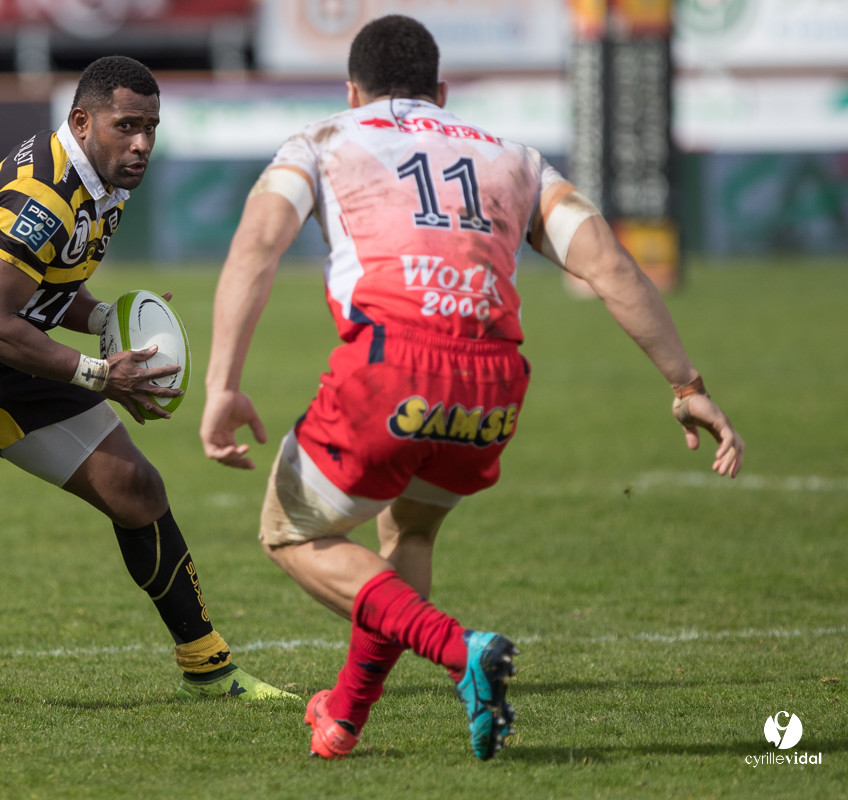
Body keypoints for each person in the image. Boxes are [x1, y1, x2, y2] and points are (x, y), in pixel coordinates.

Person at [200, 15, 745, 761]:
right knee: (410, 533)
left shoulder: (322, 140)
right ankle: (345, 715)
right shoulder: (515, 158)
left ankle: (464, 652)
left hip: (392, 368)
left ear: (352, 90)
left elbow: (257, 247)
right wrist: (686, 384)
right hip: (493, 383)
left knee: (291, 531)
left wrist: (223, 385)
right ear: (442, 92)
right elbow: (611, 267)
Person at [0, 55, 294, 710]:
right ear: (82, 122)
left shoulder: (102, 179)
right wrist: (101, 373)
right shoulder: (42, 195)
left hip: (10, 353)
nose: (141, 143)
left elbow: (44, 287)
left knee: (137, 490)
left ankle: (208, 667)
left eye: (150, 127)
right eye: (126, 126)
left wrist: (105, 318)